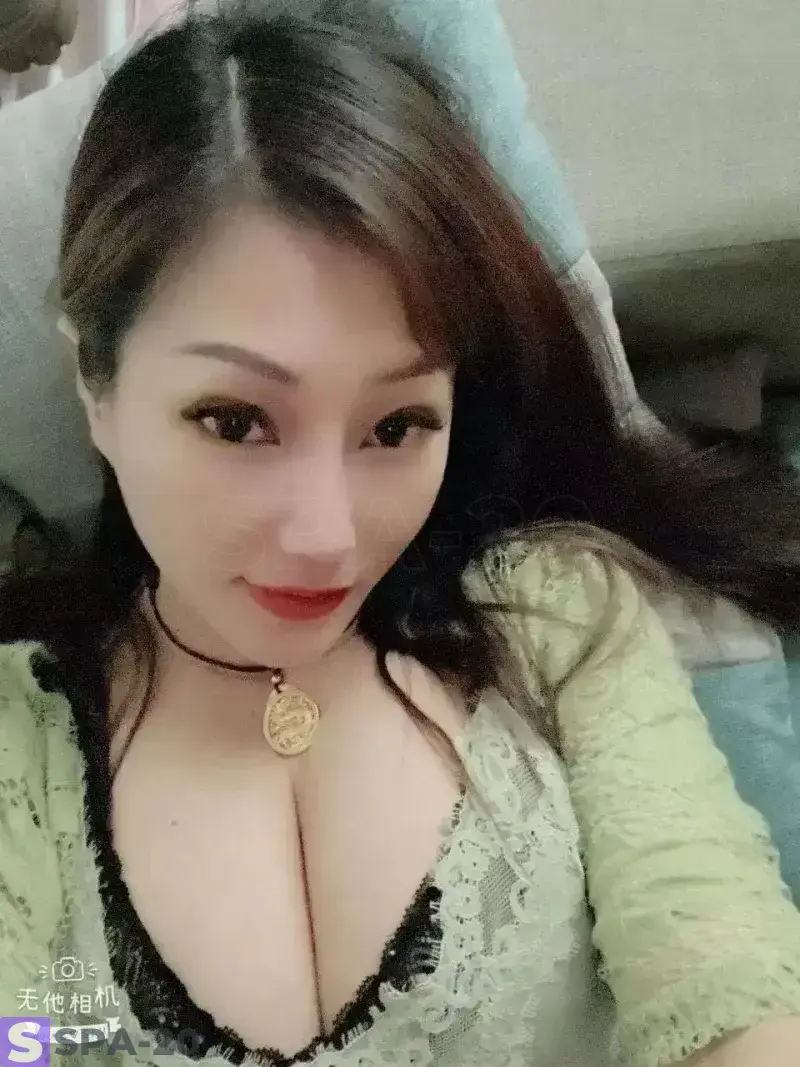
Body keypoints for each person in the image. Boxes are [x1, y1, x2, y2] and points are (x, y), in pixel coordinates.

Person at [3, 6, 800, 1066]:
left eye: (396, 425)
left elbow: (725, 977)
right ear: (94, 384)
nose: (326, 536)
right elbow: (23, 1035)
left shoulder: (559, 624)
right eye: (234, 421)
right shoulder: (19, 741)